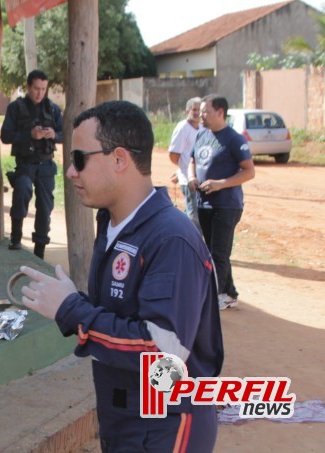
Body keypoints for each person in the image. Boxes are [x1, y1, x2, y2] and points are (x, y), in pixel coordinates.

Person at [19, 101, 223, 452]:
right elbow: (123, 318)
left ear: (119, 159)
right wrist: (74, 301)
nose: (70, 171)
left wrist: (71, 310)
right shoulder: (115, 225)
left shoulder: (170, 238)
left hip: (164, 427)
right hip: (125, 418)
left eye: (79, 159)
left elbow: (163, 354)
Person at [188, 94, 255, 310]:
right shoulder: (202, 135)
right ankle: (229, 292)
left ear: (220, 112)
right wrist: (191, 177)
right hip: (204, 203)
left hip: (227, 205)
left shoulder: (234, 139)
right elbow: (192, 160)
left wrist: (221, 184)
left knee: (219, 253)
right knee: (213, 250)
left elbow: (249, 172)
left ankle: (214, 296)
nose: (201, 115)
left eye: (205, 111)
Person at [0, 70, 63, 259]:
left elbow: (65, 133)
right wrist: (30, 134)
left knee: (45, 207)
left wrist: (55, 135)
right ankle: (16, 238)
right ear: (28, 87)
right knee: (22, 189)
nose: (40, 93)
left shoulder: (52, 109)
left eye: (43, 89)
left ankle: (39, 251)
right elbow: (5, 136)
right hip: (25, 164)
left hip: (45, 164)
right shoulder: (16, 108)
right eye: (36, 88)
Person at [169, 97, 202, 230]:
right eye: (194, 109)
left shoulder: (202, 127)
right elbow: (173, 155)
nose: (197, 112)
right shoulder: (183, 127)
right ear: (187, 110)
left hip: (200, 179)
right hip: (188, 180)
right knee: (193, 217)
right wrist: (182, 169)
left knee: (197, 215)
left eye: (200, 109)